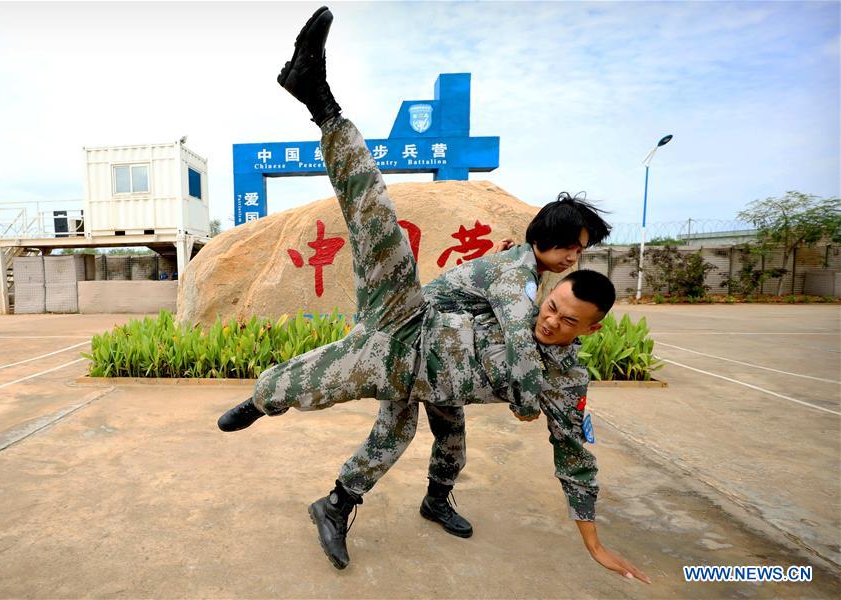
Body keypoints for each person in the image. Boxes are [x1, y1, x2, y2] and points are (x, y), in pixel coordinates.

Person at [218, 6, 650, 583]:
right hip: (407, 321)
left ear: (590, 327)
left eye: (582, 251)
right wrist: (527, 399)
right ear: (546, 239)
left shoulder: (551, 312)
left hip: (440, 366)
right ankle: (320, 101)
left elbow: (573, 449)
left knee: (432, 438)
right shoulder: (514, 277)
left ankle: (411, 501)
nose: (573, 260)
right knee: (377, 224)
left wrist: (594, 540)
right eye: (571, 246)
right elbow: (524, 355)